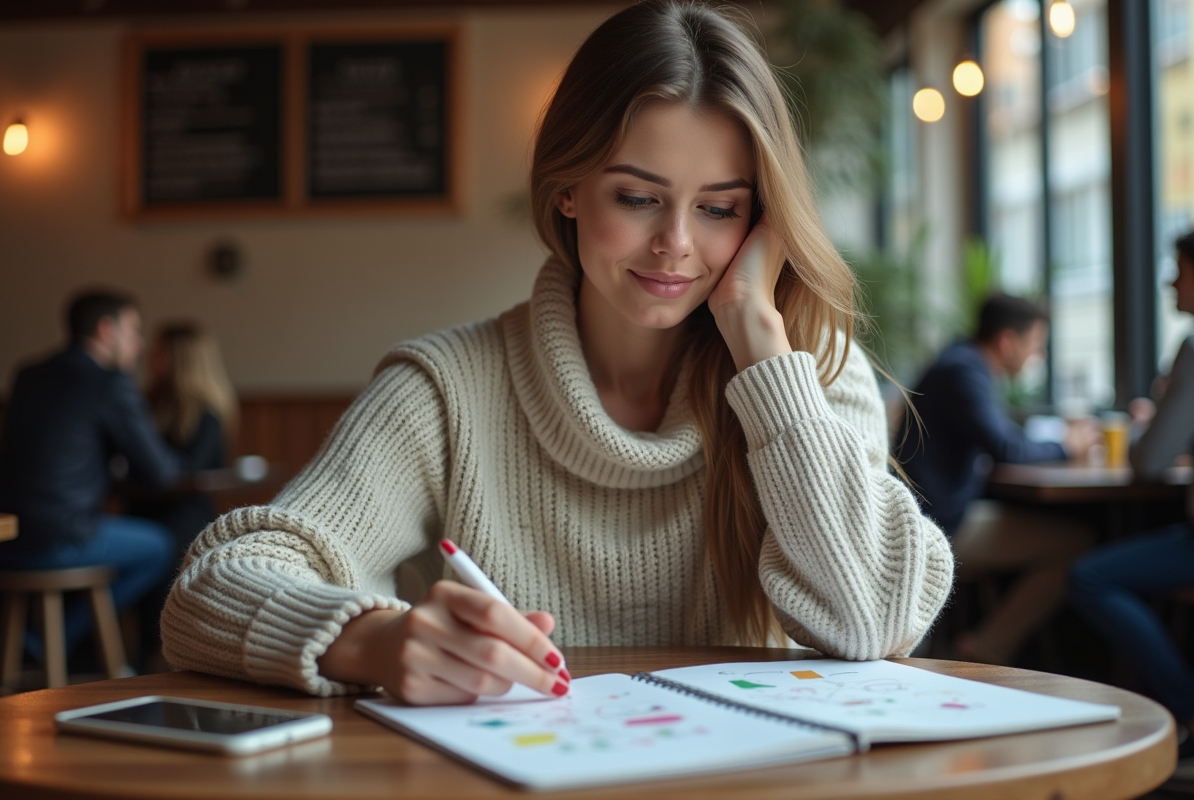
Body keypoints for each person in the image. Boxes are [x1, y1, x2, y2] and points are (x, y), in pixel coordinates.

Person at [161, 0, 954, 703]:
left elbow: (876, 620)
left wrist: (759, 337)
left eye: (719, 208)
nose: (676, 245)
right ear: (568, 189)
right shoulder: (444, 391)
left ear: (764, 220)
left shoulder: (808, 370)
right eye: (638, 197)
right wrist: (375, 641)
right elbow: (210, 589)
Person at [896, 294, 1097, 665]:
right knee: (1076, 543)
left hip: (937, 514)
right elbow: (1007, 447)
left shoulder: (961, 362)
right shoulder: (965, 371)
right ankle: (986, 647)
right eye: (1036, 345)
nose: (1038, 356)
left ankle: (986, 644)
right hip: (938, 528)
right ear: (1008, 341)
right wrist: (1067, 445)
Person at [1070, 228, 1194, 777]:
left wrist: (1160, 417)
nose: (1170, 280)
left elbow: (1148, 462)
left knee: (1089, 576)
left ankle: (1190, 708)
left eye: (1179, 269)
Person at [0, 289, 177, 662]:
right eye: (133, 331)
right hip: (64, 536)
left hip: (10, 536)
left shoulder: (27, 374)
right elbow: (161, 471)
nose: (140, 344)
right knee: (160, 545)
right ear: (105, 330)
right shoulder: (108, 382)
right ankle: (51, 643)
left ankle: (45, 645)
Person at [127, 322, 239, 561]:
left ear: (180, 359)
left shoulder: (207, 412)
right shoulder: (146, 401)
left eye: (158, 352)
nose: (149, 356)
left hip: (181, 516)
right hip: (141, 507)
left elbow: (191, 469)